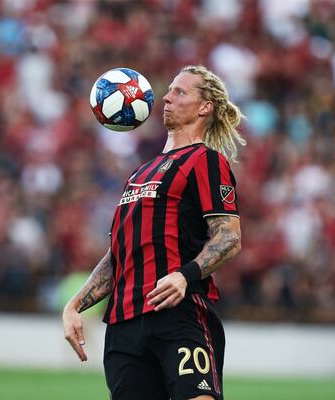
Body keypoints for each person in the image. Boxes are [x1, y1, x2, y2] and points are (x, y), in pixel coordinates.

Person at [62, 65, 245, 400]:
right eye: (169, 89)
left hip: (177, 313)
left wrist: (184, 276)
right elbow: (118, 254)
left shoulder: (205, 161)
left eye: (180, 92)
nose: (167, 97)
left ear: (205, 107)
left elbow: (229, 236)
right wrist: (75, 306)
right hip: (123, 327)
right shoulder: (139, 173)